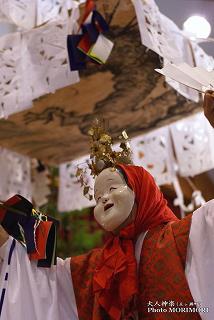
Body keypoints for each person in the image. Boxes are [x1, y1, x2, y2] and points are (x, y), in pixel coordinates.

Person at [0, 90, 214, 320]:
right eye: (97, 196)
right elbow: (47, 284)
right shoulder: (100, 266)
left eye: (112, 188)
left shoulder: (184, 238)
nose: (103, 198)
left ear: (143, 193)